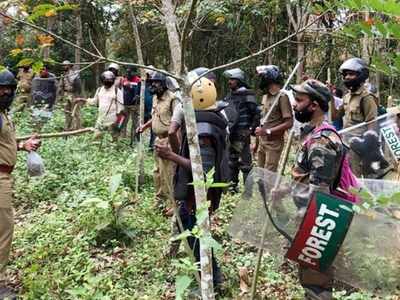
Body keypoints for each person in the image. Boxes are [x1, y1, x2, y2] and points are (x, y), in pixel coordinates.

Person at [156, 69, 228, 288]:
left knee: (196, 236)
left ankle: (212, 280)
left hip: (199, 193)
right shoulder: (204, 119)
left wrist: (171, 156)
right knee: (192, 232)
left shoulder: (204, 130)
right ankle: (209, 277)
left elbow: (202, 172)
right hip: (194, 192)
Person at [291, 79, 347, 300]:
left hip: (316, 224)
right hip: (310, 219)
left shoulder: (322, 142)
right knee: (310, 281)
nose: (295, 105)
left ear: (314, 105)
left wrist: (308, 232)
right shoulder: (314, 134)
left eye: (299, 100)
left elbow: (321, 195)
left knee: (316, 286)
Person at [0, 69, 40, 299]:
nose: (5, 93)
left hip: (6, 176)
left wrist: (23, 146)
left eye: (8, 89)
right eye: (1, 89)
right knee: (4, 231)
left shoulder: (4, 114)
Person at [136, 71, 179, 211]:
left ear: (164, 84)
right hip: (158, 140)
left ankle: (172, 204)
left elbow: (178, 121)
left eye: (156, 82)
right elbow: (155, 117)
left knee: (169, 172)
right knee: (158, 172)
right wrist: (145, 126)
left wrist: (174, 143)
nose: (153, 85)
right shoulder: (155, 98)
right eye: (152, 82)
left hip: (169, 140)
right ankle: (159, 200)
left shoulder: (172, 99)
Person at [332, 58, 378, 177]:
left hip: (357, 147)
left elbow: (371, 123)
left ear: (361, 75)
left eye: (351, 74)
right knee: (342, 176)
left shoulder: (367, 98)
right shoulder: (347, 97)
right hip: (345, 143)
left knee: (354, 178)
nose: (347, 77)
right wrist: (330, 97)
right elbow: (335, 115)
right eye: (346, 74)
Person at [223, 68, 260, 193]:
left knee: (245, 164)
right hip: (231, 134)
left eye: (232, 79)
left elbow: (256, 114)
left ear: (239, 80)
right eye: (229, 79)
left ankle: (248, 191)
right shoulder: (229, 97)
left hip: (243, 134)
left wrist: (250, 129)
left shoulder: (247, 95)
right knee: (231, 162)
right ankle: (232, 188)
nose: (229, 82)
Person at [254, 65, 293, 172]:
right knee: (260, 174)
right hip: (262, 142)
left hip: (273, 143)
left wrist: (268, 131)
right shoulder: (265, 96)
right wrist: (256, 144)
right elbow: (263, 121)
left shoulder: (282, 97)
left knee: (269, 175)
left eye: (262, 77)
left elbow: (289, 123)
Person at [84, 71, 125, 142]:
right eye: (106, 81)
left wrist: (117, 124)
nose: (107, 83)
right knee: (96, 140)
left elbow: (120, 109)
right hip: (100, 120)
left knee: (111, 142)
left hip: (112, 122)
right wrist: (83, 100)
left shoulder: (117, 91)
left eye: (109, 81)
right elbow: (95, 101)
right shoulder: (99, 90)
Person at [31, 65, 57, 131]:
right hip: (38, 101)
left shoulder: (52, 77)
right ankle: (37, 129)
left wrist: (52, 99)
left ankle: (46, 130)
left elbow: (56, 90)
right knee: (37, 118)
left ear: (47, 70)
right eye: (40, 70)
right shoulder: (36, 77)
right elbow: (33, 90)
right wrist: (37, 95)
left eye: (43, 69)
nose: (41, 71)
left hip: (49, 101)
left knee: (47, 119)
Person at [59, 60, 82, 131]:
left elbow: (78, 86)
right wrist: (61, 96)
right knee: (66, 111)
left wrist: (78, 96)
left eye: (65, 65)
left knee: (75, 112)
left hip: (73, 94)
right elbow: (61, 86)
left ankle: (76, 127)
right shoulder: (63, 75)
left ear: (69, 66)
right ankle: (67, 126)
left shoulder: (75, 74)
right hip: (66, 94)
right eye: (63, 65)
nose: (64, 67)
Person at [121, 67, 141, 141]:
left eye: (130, 72)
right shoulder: (124, 79)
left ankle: (135, 140)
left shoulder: (138, 80)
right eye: (127, 72)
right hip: (125, 105)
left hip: (134, 105)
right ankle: (122, 140)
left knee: (135, 123)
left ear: (134, 72)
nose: (128, 74)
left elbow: (140, 93)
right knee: (123, 122)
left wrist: (137, 96)